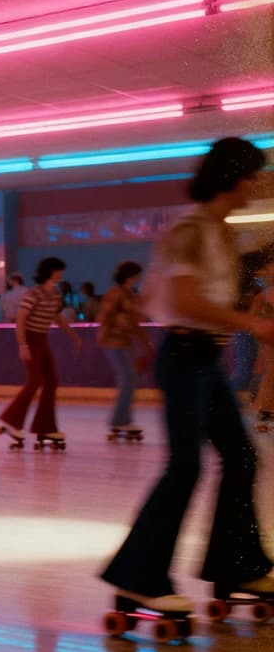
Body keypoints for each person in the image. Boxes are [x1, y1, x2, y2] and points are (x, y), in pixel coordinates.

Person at [101, 138, 274, 619]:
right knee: (186, 466)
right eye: (254, 175)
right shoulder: (192, 228)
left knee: (240, 456)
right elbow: (185, 300)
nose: (257, 185)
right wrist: (252, 325)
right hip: (182, 356)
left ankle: (237, 565)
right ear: (234, 178)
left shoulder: (220, 231)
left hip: (204, 359)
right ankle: (139, 579)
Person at [0, 256, 80, 448]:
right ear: (50, 271)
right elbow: (21, 319)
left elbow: (56, 317)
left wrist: (73, 335)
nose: (61, 274)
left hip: (42, 340)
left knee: (51, 381)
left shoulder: (55, 294)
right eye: (59, 270)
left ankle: (45, 426)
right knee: (35, 382)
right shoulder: (34, 293)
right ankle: (11, 421)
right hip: (31, 339)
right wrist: (23, 345)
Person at [97, 262, 153, 439]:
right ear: (129, 276)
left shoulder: (130, 295)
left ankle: (122, 419)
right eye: (136, 274)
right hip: (113, 342)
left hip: (126, 342)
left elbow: (135, 323)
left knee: (132, 380)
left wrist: (145, 344)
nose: (138, 278)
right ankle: (120, 420)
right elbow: (103, 317)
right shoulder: (115, 293)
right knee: (128, 380)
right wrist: (112, 329)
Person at [251, 248, 274, 430]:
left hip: (267, 337)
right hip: (269, 338)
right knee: (270, 374)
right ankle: (264, 411)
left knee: (270, 374)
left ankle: (265, 411)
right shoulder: (264, 295)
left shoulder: (265, 294)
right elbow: (252, 318)